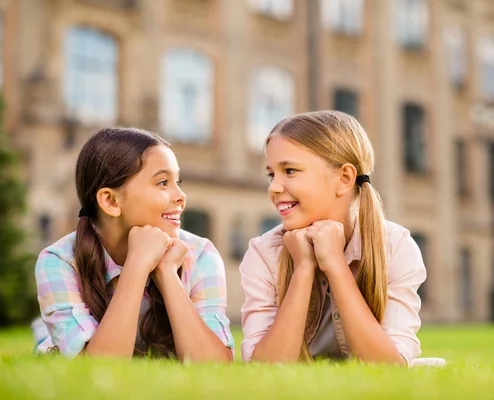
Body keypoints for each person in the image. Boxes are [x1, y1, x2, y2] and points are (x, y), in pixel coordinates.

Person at [240, 111, 426, 364]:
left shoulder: (395, 247)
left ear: (344, 178)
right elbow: (265, 366)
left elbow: (389, 366)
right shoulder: (264, 253)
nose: (273, 187)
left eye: (290, 171)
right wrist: (304, 268)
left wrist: (335, 265)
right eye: (272, 174)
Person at [32, 128, 233, 362]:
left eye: (177, 181)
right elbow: (99, 367)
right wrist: (137, 265)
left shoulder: (199, 255)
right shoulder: (60, 261)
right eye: (162, 182)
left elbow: (214, 365)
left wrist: (167, 273)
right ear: (110, 201)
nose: (181, 196)